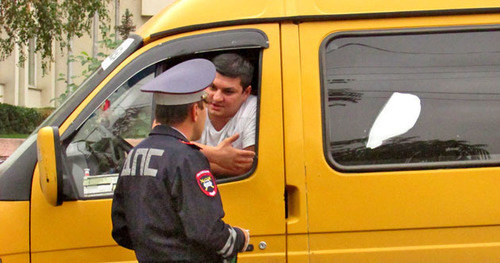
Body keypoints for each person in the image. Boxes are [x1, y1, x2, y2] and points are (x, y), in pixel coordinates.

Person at [111, 58, 250, 262]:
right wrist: (239, 238)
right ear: (195, 111)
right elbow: (207, 230)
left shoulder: (136, 154)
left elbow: (121, 228)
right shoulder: (187, 158)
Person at [195, 53, 257, 176]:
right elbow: (168, 142)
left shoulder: (253, 108)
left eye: (228, 92)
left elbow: (247, 167)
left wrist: (194, 161)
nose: (217, 98)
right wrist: (216, 155)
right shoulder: (193, 101)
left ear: (246, 93)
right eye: (212, 88)